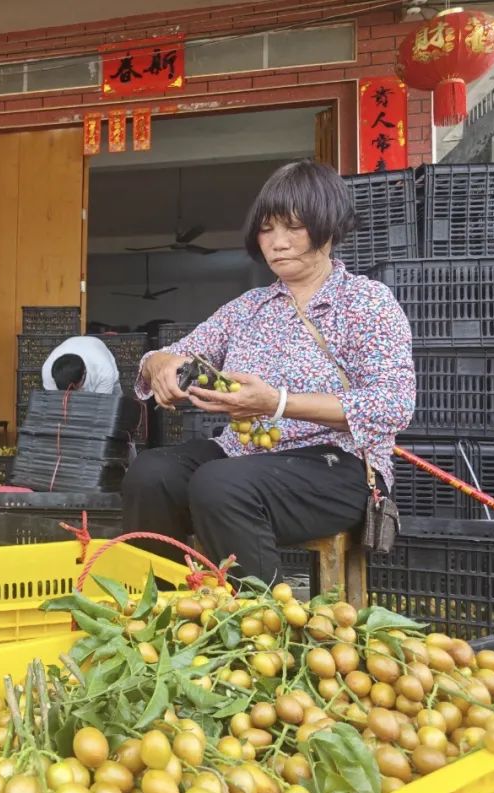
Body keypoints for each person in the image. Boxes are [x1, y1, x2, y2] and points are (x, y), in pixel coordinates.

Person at [122, 159, 414, 581]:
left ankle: (261, 615)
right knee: (150, 474)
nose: (277, 243)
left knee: (220, 484)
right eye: (266, 229)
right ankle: (164, 603)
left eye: (293, 227)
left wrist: (276, 403)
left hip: (339, 465)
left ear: (329, 228)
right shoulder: (248, 308)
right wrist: (159, 364)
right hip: (244, 455)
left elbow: (393, 404)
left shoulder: (365, 302)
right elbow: (174, 353)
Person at [41, 335, 122, 395]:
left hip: (95, 346)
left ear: (84, 374)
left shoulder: (104, 372)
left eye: (73, 389)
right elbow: (54, 403)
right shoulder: (47, 371)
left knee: (117, 400)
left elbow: (102, 406)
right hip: (72, 343)